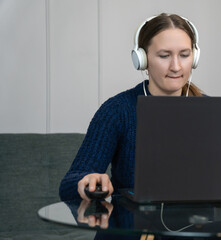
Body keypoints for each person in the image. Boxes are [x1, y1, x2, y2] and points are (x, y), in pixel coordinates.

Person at [59, 13, 204, 202]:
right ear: (142, 59)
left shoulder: (209, 111)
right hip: (131, 228)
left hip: (194, 228)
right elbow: (69, 185)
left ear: (194, 58)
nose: (176, 66)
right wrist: (88, 181)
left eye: (184, 55)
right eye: (164, 56)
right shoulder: (118, 110)